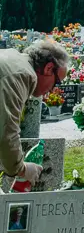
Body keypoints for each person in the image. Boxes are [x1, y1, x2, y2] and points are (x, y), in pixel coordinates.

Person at [0, 40, 68, 186]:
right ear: (49, 68)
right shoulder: (21, 75)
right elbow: (6, 133)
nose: (51, 91)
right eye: (56, 83)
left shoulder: (15, 62)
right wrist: (21, 169)